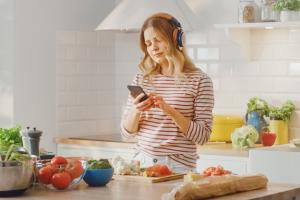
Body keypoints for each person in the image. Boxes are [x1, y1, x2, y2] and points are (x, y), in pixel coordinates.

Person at [120, 12, 214, 173]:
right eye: (148, 43)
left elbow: (202, 136)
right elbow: (126, 134)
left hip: (178, 167)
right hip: (140, 163)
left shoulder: (200, 80)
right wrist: (137, 110)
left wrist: (169, 110)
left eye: (157, 40)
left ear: (176, 38)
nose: (153, 48)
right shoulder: (141, 78)